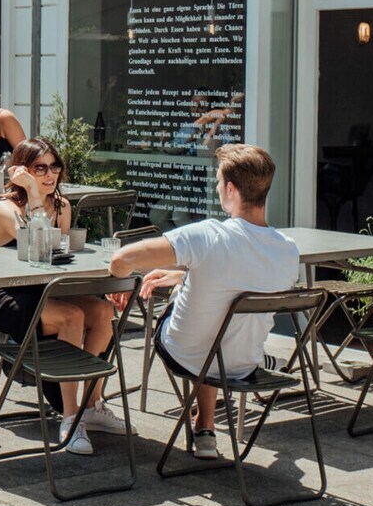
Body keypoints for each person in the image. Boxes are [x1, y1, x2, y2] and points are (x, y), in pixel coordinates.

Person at [110, 144, 300, 462]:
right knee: (215, 311)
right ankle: (206, 426)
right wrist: (184, 275)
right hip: (241, 364)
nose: (215, 188)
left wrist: (121, 284)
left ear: (230, 188)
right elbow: (238, 278)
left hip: (183, 352)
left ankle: (205, 424)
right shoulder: (288, 250)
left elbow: (122, 258)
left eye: (217, 181)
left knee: (200, 317)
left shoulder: (209, 236)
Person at [0, 138, 121, 456]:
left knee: (103, 312)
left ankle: (92, 403)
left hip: (46, 289)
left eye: (54, 166)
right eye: (40, 168)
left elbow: (54, 259)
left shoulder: (62, 206)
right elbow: (39, 243)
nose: (50, 175)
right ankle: (70, 417)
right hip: (6, 293)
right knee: (72, 316)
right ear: (22, 171)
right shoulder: (5, 207)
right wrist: (34, 194)